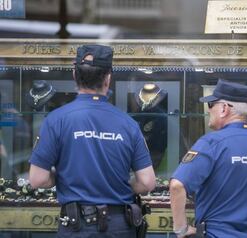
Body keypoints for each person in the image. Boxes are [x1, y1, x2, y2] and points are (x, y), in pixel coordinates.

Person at [28, 44, 156, 238]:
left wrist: (61, 177)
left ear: (74, 74)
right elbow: (147, 182)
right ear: (108, 78)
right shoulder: (128, 124)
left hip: (76, 227)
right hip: (119, 227)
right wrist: (116, 184)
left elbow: (37, 179)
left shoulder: (56, 120)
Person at [170, 79, 247, 238]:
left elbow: (177, 186)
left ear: (224, 108)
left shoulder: (211, 143)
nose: (208, 111)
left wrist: (181, 229)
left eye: (211, 105)